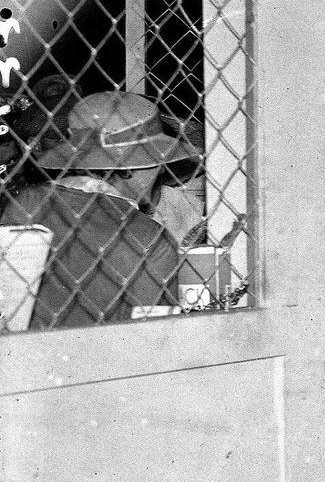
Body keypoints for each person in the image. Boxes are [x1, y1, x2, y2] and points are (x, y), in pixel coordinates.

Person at [0, 90, 196, 328]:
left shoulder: (24, 203)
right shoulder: (148, 239)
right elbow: (159, 342)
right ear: (134, 165)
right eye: (160, 161)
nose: (162, 171)